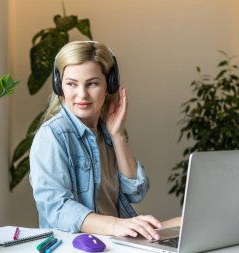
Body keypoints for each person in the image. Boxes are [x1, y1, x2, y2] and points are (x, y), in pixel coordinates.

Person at [29, 40, 178, 240]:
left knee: (188, 222)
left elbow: (137, 192)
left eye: (92, 83)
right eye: (71, 84)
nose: (81, 94)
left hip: (117, 241)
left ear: (110, 84)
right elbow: (57, 209)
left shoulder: (106, 132)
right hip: (80, 245)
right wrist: (116, 224)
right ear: (59, 85)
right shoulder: (52, 135)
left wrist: (117, 136)